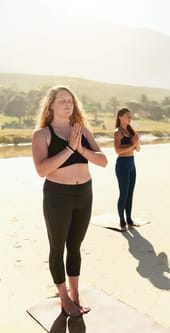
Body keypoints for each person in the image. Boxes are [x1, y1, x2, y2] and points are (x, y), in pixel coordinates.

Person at [32, 85, 108, 317]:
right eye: (62, 100)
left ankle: (75, 295)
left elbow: (103, 161)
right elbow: (42, 170)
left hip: (84, 194)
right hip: (58, 196)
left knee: (74, 247)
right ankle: (64, 298)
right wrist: (69, 148)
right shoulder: (42, 135)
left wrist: (81, 150)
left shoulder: (82, 131)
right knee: (57, 248)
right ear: (51, 105)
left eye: (71, 101)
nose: (68, 104)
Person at [114, 107, 140, 231]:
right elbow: (118, 151)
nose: (130, 118)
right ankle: (122, 221)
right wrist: (133, 144)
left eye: (130, 116)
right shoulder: (117, 132)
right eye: (127, 116)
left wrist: (136, 142)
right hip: (122, 164)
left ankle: (129, 219)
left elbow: (138, 149)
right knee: (123, 194)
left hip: (131, 163)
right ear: (120, 117)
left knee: (130, 193)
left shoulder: (130, 131)